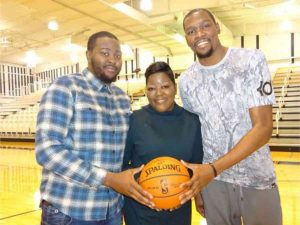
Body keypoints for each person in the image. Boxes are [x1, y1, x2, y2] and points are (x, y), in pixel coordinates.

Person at [35, 31, 152, 225]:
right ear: (88, 54)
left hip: (113, 210)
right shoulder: (66, 87)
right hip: (69, 211)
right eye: (105, 53)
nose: (113, 60)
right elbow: (47, 150)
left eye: (117, 55)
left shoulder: (122, 98)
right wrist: (108, 178)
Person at [178, 8, 282, 225]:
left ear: (217, 27)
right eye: (191, 31)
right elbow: (194, 136)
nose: (199, 34)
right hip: (213, 183)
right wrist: (198, 187)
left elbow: (263, 128)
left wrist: (213, 169)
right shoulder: (186, 81)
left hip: (256, 179)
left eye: (205, 26)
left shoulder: (250, 60)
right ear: (187, 38)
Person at [122, 61, 203, 225]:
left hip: (178, 208)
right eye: (151, 89)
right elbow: (122, 165)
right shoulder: (134, 120)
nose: (158, 93)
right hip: (141, 210)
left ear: (174, 87)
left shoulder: (192, 122)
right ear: (146, 91)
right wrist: (139, 186)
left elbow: (196, 169)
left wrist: (193, 193)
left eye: (165, 86)